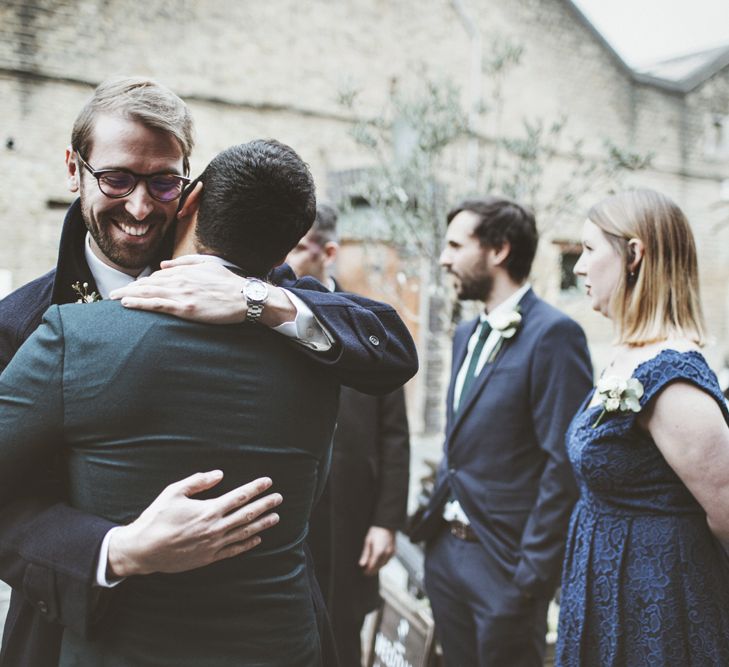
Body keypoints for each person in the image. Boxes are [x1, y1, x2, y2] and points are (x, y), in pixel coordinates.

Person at [0, 77, 417, 667]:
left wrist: (257, 300)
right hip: (82, 627)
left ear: (189, 188)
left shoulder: (260, 281)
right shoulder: (22, 322)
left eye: (162, 181)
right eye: (117, 179)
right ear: (76, 168)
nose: (141, 208)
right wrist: (116, 549)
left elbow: (391, 347)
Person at [410, 197, 593, 666]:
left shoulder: (555, 335)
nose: (444, 258)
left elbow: (565, 462)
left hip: (505, 568)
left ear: (499, 250)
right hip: (447, 557)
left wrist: (531, 575)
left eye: (455, 245)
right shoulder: (465, 335)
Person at [556, 189, 729, 665]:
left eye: (590, 250)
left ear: (634, 254)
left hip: (657, 606)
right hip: (607, 584)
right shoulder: (628, 356)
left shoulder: (673, 383)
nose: (578, 266)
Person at [288, 204, 411, 666]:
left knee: (342, 630)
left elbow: (395, 435)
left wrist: (386, 522)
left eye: (300, 248)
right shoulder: (266, 318)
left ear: (329, 252)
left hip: (353, 513)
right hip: (295, 509)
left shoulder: (367, 322)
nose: (289, 259)